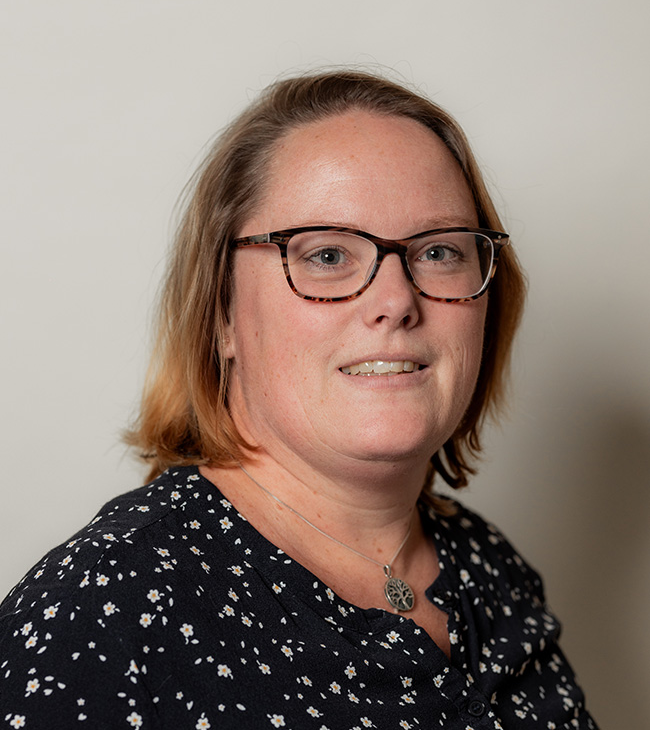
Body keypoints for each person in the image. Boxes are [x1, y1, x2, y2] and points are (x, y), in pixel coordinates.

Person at [0, 70, 598, 729]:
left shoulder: (490, 569)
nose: (396, 301)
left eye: (437, 251)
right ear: (222, 314)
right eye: (328, 255)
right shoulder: (104, 607)